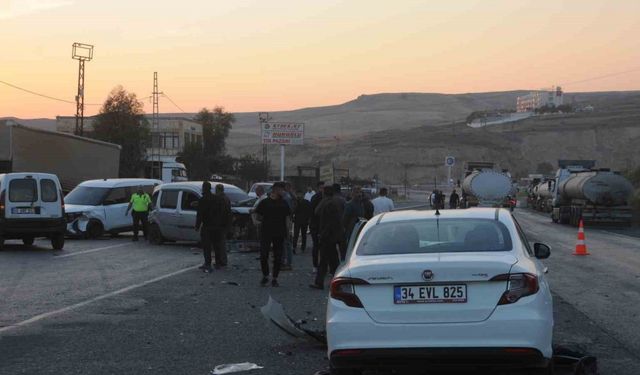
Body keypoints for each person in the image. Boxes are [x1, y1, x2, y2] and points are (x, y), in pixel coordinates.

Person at [254, 182, 290, 287]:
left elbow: (288, 218)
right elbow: (258, 215)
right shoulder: (265, 202)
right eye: (280, 189)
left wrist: (288, 231)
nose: (282, 191)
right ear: (275, 189)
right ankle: (265, 275)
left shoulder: (284, 203)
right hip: (266, 232)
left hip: (279, 232)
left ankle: (275, 277)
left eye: (283, 189)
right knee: (263, 255)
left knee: (278, 256)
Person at [310, 185, 343, 290]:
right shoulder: (334, 202)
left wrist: (323, 234)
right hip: (332, 236)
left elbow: (322, 216)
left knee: (325, 261)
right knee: (333, 261)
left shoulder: (329, 204)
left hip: (328, 236)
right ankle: (337, 282)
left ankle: (321, 282)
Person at [195, 182, 226, 272]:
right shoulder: (217, 198)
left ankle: (207, 263)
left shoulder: (203, 199)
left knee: (207, 246)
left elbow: (200, 215)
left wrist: (197, 226)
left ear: (204, 188)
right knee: (216, 245)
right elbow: (221, 212)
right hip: (217, 226)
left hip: (207, 226)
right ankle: (218, 263)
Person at [343, 186, 364, 257]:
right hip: (352, 230)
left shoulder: (362, 204)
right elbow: (345, 219)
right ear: (352, 194)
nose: (359, 194)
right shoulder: (349, 205)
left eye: (360, 192)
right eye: (357, 193)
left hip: (360, 230)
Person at [214, 184, 232, 267]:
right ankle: (223, 260)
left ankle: (222, 261)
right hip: (225, 224)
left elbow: (221, 212)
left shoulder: (220, 199)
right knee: (222, 243)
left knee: (220, 243)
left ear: (218, 190)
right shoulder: (227, 198)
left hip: (221, 224)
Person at [309, 181, 325, 271]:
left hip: (321, 226)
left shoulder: (325, 197)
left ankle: (320, 265)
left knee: (322, 247)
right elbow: (313, 212)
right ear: (318, 188)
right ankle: (315, 265)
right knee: (316, 246)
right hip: (316, 225)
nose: (322, 190)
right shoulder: (316, 198)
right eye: (321, 188)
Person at [281, 182, 295, 269]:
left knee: (286, 242)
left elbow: (288, 212)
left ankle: (287, 263)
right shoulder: (288, 197)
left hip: (286, 222)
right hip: (287, 221)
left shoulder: (286, 197)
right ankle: (285, 262)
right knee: (285, 242)